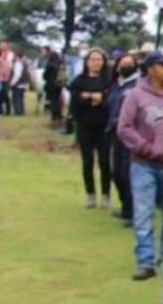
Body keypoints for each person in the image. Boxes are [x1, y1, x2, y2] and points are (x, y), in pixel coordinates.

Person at [117, 50, 163, 281]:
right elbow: (124, 128)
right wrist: (146, 147)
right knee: (143, 215)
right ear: (151, 69)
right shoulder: (135, 95)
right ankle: (145, 262)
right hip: (144, 165)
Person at [70, 48, 112, 209]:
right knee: (87, 161)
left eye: (99, 59)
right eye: (93, 59)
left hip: (103, 126)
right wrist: (93, 98)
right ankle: (90, 194)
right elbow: (75, 102)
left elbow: (109, 100)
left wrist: (94, 97)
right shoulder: (79, 81)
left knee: (104, 161)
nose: (96, 62)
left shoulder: (109, 80)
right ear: (87, 62)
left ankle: (106, 195)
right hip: (84, 126)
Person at [107, 53, 139, 226]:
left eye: (129, 63)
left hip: (131, 135)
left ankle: (134, 214)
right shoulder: (117, 85)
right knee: (118, 174)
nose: (125, 66)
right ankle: (126, 208)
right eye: (122, 63)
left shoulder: (138, 85)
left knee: (128, 174)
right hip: (115, 134)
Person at [41, 48, 64, 126]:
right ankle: (59, 116)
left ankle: (54, 117)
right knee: (58, 101)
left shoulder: (49, 65)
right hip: (59, 85)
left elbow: (45, 76)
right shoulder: (60, 65)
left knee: (53, 101)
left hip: (51, 85)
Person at [0, 43, 13, 116]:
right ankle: (2, 110)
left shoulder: (4, 60)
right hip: (2, 79)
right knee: (1, 96)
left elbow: (7, 70)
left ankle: (5, 110)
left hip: (2, 80)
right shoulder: (1, 60)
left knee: (3, 96)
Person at [9, 49, 27, 116]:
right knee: (21, 98)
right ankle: (21, 111)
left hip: (18, 83)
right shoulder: (23, 62)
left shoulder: (18, 63)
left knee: (16, 98)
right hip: (23, 83)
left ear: (17, 55)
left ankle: (18, 112)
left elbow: (17, 75)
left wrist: (12, 83)